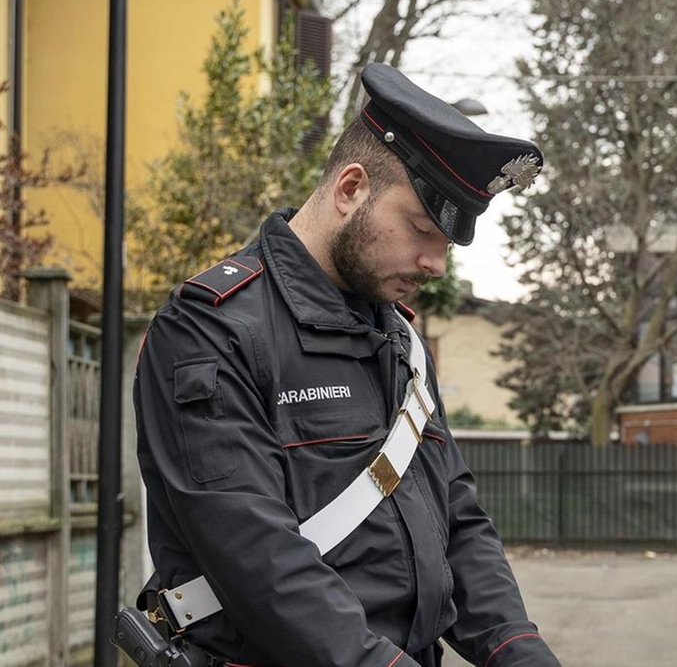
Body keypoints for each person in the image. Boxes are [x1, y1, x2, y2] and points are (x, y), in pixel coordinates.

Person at [133, 63, 560, 667]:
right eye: (420, 227)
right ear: (350, 188)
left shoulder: (399, 340)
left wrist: (516, 649)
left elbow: (457, 520)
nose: (436, 263)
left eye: (448, 242)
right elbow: (260, 562)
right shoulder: (210, 330)